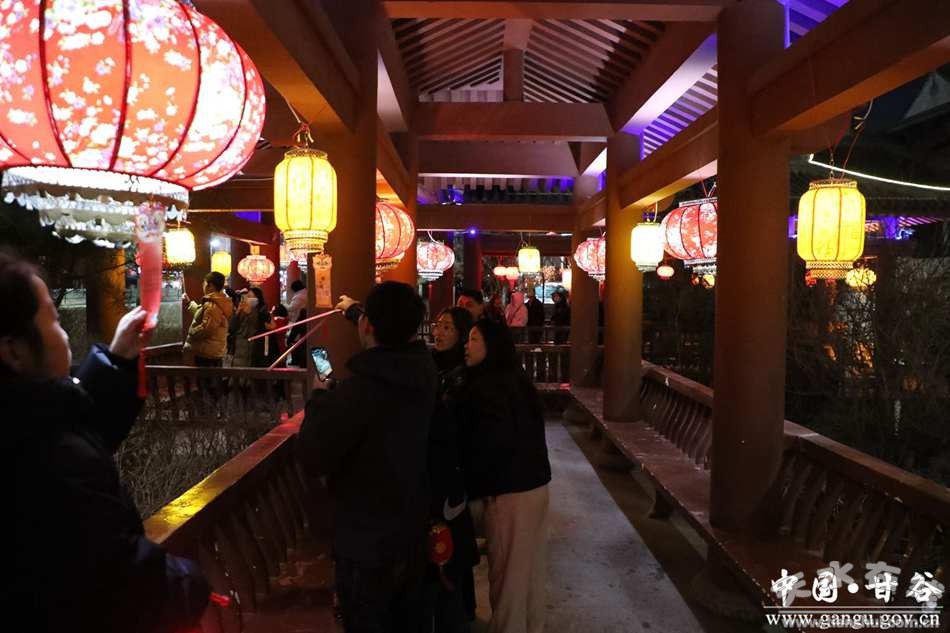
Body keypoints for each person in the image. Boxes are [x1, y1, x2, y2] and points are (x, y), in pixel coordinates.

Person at [3, 251, 210, 633]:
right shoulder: (49, 463)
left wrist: (116, 357)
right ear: (14, 351)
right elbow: (127, 581)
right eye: (55, 320)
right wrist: (192, 581)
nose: (65, 333)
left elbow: (78, 428)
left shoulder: (31, 426)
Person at [298, 282, 438, 633]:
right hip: (413, 531)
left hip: (365, 542)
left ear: (367, 326)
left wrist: (319, 398)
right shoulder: (424, 372)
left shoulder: (359, 391)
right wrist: (355, 311)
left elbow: (314, 456)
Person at [457, 319, 551, 633]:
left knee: (507, 580)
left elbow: (491, 445)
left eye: (474, 339)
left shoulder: (486, 387)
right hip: (535, 486)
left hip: (508, 492)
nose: (466, 345)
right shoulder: (515, 378)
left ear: (492, 345)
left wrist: (471, 487)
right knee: (529, 575)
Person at [427, 307, 479, 631]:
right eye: (438, 325)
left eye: (448, 327)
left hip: (453, 467)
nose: (439, 332)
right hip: (442, 465)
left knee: (451, 541)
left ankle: (461, 613)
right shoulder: (433, 364)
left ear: (461, 335)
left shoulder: (463, 375)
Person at [182, 271, 233, 367]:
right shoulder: (217, 302)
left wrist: (192, 332)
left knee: (206, 376)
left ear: (211, 286)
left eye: (204, 283)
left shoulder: (212, 305)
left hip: (207, 353)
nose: (203, 286)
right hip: (212, 351)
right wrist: (189, 303)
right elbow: (204, 316)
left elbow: (207, 328)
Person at [231, 287, 271, 368]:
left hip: (253, 347)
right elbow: (232, 327)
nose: (247, 298)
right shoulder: (241, 310)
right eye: (247, 296)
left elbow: (257, 327)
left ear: (257, 299)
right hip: (240, 345)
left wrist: (249, 314)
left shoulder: (260, 312)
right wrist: (238, 312)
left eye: (250, 296)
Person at [287, 279, 308, 367]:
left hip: (298, 320)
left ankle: (296, 360)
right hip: (302, 320)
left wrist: (284, 306)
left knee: (293, 340)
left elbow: (291, 308)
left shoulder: (299, 296)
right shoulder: (305, 293)